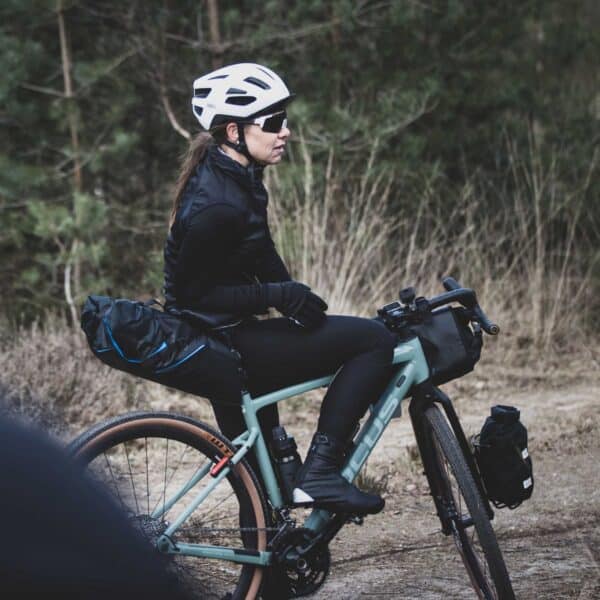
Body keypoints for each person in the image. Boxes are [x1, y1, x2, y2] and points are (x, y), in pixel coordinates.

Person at [162, 63, 396, 515]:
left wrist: (293, 295)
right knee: (374, 340)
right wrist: (278, 297)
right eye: (273, 123)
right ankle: (322, 473)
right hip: (222, 345)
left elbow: (258, 248)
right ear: (234, 130)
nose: (285, 131)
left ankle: (272, 570)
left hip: (227, 337)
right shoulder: (216, 203)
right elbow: (190, 297)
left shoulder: (236, 177)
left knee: (266, 489)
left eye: (284, 119)